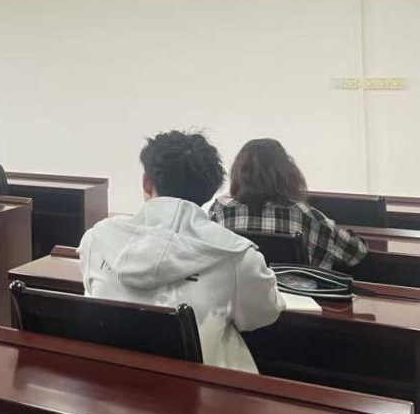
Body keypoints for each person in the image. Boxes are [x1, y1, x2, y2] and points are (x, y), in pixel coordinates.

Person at [78, 130, 284, 373]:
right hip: (202, 390)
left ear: (147, 182)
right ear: (209, 192)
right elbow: (264, 315)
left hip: (110, 381)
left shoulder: (95, 240)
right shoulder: (237, 256)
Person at [209, 138, 368, 270]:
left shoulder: (221, 211)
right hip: (299, 299)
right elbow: (357, 254)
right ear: (287, 173)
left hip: (239, 297)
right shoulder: (311, 218)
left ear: (239, 174)